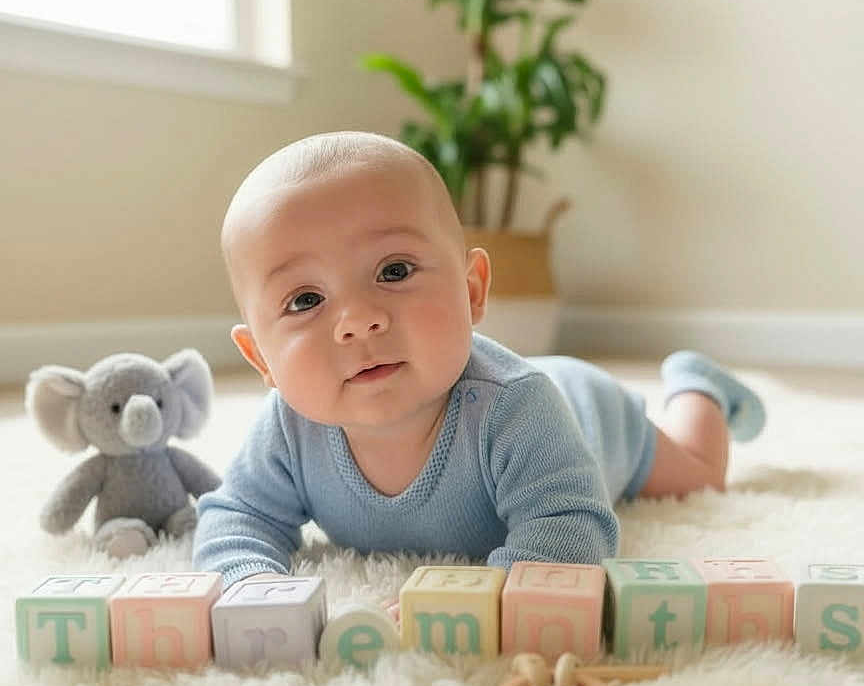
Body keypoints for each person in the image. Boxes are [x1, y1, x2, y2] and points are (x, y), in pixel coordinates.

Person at [192, 131, 765, 593]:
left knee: (699, 475)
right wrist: (250, 584)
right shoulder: (288, 429)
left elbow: (571, 528)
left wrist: (480, 599)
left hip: (590, 412)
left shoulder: (515, 408)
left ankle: (697, 387)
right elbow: (237, 515)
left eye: (393, 271)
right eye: (305, 301)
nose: (357, 320)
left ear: (472, 291)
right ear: (261, 357)